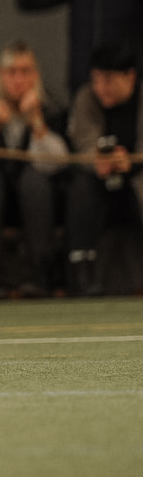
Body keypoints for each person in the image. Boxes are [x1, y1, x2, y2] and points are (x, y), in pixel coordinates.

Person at [0, 42, 69, 299]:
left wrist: (37, 123)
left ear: (35, 75)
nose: (18, 79)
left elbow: (58, 164)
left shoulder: (51, 109)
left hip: (39, 204)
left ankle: (42, 275)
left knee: (35, 181)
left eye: (25, 72)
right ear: (0, 75)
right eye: (11, 72)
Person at [64, 42, 143, 295]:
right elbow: (84, 143)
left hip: (137, 179)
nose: (100, 88)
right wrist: (99, 159)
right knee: (81, 187)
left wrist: (131, 161)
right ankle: (83, 274)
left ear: (130, 76)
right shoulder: (86, 98)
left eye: (108, 80)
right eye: (95, 79)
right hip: (98, 182)